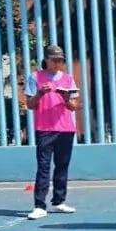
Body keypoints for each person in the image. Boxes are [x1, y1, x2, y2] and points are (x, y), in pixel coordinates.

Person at [24, 44, 80, 220]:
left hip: (65, 128)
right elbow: (30, 104)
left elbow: (74, 106)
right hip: (45, 129)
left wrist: (66, 98)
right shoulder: (35, 77)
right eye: (54, 60)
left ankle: (59, 201)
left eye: (60, 60)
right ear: (46, 60)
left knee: (62, 165)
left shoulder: (68, 79)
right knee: (44, 166)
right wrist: (40, 93)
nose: (57, 64)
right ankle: (39, 205)